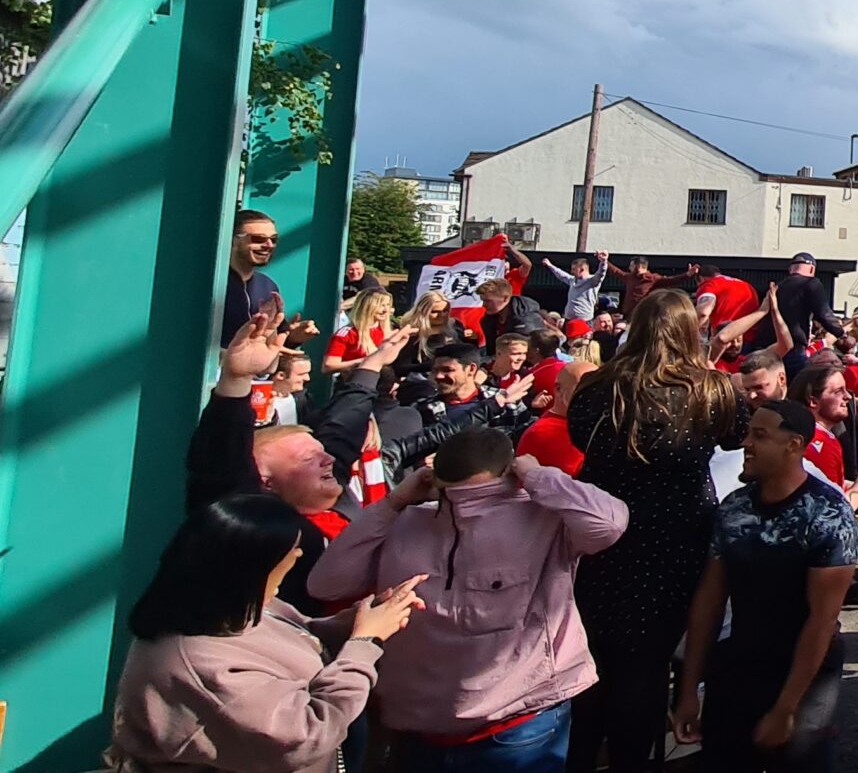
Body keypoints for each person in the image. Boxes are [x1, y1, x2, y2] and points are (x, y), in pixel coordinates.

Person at [306, 427, 629, 770]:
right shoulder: (407, 521)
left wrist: (537, 477)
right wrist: (394, 503)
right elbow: (327, 584)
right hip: (432, 731)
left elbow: (607, 524)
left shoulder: (541, 517)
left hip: (513, 725)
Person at [108, 493, 425, 773]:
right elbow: (305, 734)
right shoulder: (197, 666)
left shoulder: (221, 610)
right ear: (249, 569)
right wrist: (364, 643)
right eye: (290, 554)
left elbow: (299, 635)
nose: (298, 557)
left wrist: (355, 622)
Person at [565, 287, 748, 772]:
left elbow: (579, 436)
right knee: (645, 664)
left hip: (604, 535)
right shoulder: (713, 389)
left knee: (591, 658)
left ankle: (583, 758)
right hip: (676, 536)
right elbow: (737, 436)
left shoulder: (597, 387)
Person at [673, 400, 858, 772]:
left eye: (760, 435)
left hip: (806, 672)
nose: (746, 444)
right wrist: (689, 690)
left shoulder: (829, 515)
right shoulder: (734, 508)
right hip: (740, 660)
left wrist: (786, 707)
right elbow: (709, 602)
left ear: (794, 445)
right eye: (748, 433)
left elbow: (821, 621)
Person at [187, 309, 413, 613]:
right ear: (264, 481)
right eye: (309, 458)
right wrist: (236, 380)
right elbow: (220, 465)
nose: (328, 459)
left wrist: (372, 364)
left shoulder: (333, 500)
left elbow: (342, 429)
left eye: (322, 452)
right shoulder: (255, 529)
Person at [760, 252, 848, 376]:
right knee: (797, 388)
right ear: (812, 269)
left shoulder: (775, 287)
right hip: (793, 346)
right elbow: (823, 313)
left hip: (769, 347)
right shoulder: (811, 283)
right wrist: (841, 332)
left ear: (790, 269)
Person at [222, 210, 286, 344]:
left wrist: (294, 337)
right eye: (258, 239)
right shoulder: (212, 282)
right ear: (233, 240)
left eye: (273, 240)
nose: (269, 245)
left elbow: (271, 338)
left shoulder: (268, 286)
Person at [474, 277, 546, 345]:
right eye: (483, 300)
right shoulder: (489, 320)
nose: (484, 305)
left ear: (505, 298)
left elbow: (525, 351)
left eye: (488, 301)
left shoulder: (527, 319)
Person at [543, 253, 609, 323]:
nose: (572, 272)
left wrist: (603, 261)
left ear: (582, 269)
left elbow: (601, 273)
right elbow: (561, 275)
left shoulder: (592, 281)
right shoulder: (572, 280)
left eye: (574, 269)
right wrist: (550, 265)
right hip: (569, 319)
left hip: (584, 320)